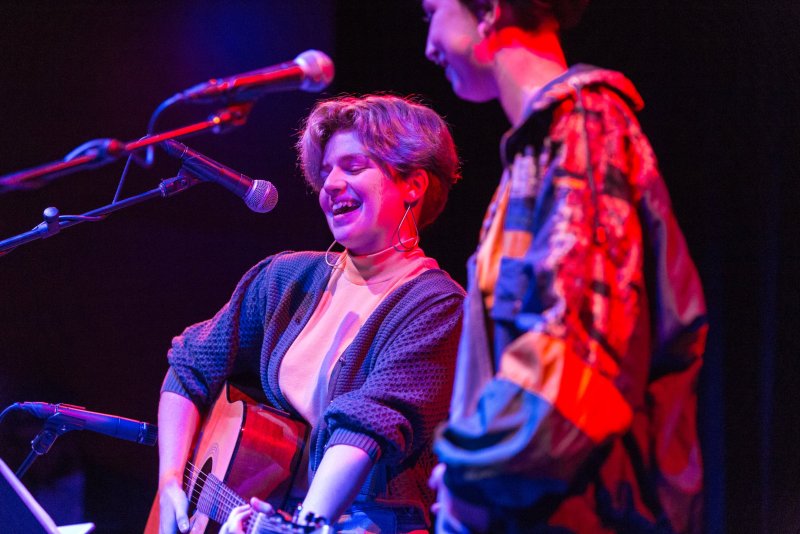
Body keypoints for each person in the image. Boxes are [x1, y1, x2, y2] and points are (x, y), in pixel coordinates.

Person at [421, 1, 708, 532]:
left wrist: (471, 470)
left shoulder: (585, 126)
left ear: (488, 11)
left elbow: (579, 353)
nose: (428, 44)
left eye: (430, 11)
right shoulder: (542, 148)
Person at [156, 94, 465, 534]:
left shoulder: (438, 307)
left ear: (413, 185)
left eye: (353, 167)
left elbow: (366, 423)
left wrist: (301, 526)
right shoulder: (286, 279)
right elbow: (190, 366)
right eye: (325, 173)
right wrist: (171, 480)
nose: (331, 185)